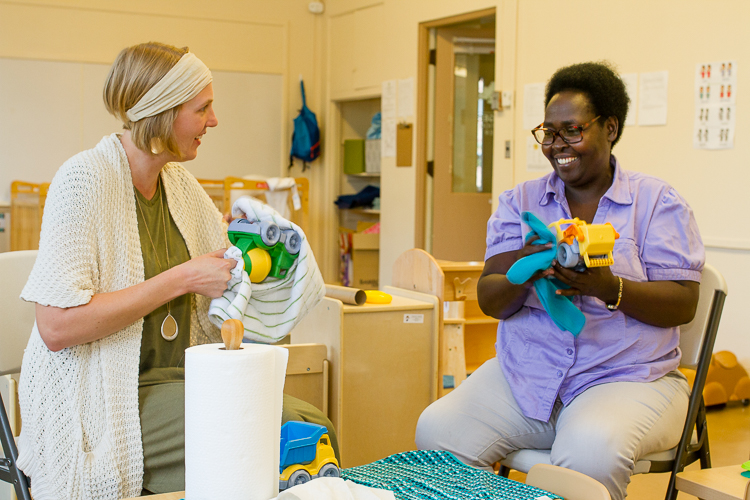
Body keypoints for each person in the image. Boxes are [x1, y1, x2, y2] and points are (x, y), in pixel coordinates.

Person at [16, 41, 337, 500]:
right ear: (164, 112)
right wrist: (183, 278)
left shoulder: (179, 186)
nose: (214, 120)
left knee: (312, 425)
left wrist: (257, 250)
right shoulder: (83, 181)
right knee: (274, 443)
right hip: (104, 403)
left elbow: (228, 281)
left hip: (180, 381)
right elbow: (55, 327)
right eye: (202, 108)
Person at [415, 61, 704, 500]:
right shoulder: (521, 203)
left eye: (572, 130)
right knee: (436, 433)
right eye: (548, 132)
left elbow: (683, 303)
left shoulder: (657, 203)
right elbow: (491, 299)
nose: (556, 145)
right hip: (526, 375)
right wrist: (530, 264)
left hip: (626, 378)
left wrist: (609, 288)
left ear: (610, 127)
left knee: (587, 458)